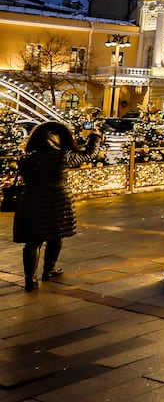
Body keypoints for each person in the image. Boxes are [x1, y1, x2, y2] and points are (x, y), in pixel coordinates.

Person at [13, 121, 101, 292]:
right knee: (56, 235)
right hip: (58, 201)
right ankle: (49, 269)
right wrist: (95, 137)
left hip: (31, 200)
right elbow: (89, 154)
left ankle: (30, 280)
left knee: (33, 242)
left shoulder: (26, 159)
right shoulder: (63, 156)